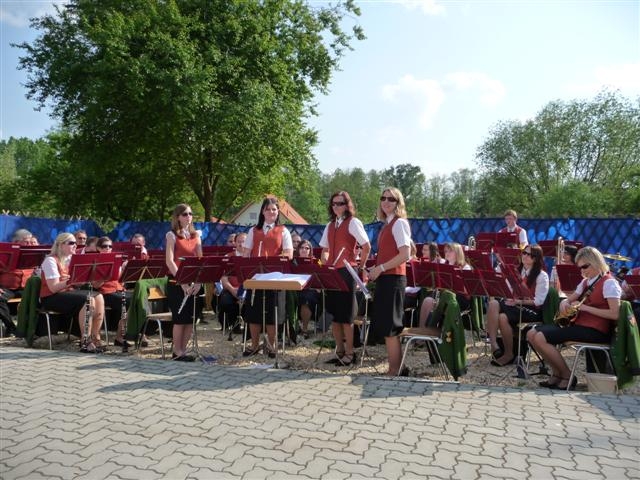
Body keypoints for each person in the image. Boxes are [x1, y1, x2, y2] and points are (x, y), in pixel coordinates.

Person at [527, 247, 621, 390]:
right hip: (580, 325)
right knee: (531, 333)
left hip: (597, 330)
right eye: (580, 267)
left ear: (596, 263)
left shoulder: (609, 283)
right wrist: (564, 303)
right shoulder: (586, 282)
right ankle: (557, 373)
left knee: (539, 337)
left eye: (585, 266)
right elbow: (569, 299)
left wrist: (585, 308)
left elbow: (615, 314)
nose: (582, 271)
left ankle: (567, 376)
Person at [319, 191, 371, 366]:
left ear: (347, 205)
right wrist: (325, 263)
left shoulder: (353, 222)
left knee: (347, 316)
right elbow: (324, 250)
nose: (336, 206)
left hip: (347, 272)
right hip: (332, 272)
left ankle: (350, 353)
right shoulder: (330, 225)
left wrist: (361, 266)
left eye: (340, 203)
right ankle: (339, 351)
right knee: (334, 316)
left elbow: (366, 246)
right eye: (333, 203)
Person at [367, 187, 412, 376]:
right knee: (388, 326)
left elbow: (405, 254)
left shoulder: (399, 223)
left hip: (393, 279)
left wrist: (381, 268)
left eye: (391, 199)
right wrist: (375, 269)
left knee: (391, 327)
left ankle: (395, 370)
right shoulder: (387, 224)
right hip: (386, 278)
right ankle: (398, 368)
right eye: (383, 198)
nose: (386, 201)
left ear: (398, 203)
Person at [242, 197, 293, 358]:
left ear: (278, 212)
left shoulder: (284, 231)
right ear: (262, 212)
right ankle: (254, 345)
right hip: (256, 277)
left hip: (275, 278)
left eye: (274, 209)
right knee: (254, 312)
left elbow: (289, 254)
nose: (271, 212)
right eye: (268, 209)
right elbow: (246, 252)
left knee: (272, 313)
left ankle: (272, 346)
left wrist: (273, 261)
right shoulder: (253, 231)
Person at [40, 232, 106, 352]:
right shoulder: (50, 261)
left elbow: (75, 284)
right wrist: (71, 281)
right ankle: (85, 341)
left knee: (99, 296)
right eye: (71, 243)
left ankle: (95, 337)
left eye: (75, 243)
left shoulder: (70, 259)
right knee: (89, 299)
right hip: (51, 297)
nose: (75, 245)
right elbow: (53, 288)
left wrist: (84, 279)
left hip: (66, 293)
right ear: (61, 245)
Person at [486, 244, 549, 366]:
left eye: (529, 254)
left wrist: (518, 301)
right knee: (498, 311)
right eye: (524, 253)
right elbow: (509, 290)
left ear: (536, 258)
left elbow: (539, 301)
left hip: (532, 310)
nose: (525, 256)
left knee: (498, 309)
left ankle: (505, 352)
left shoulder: (542, 275)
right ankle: (497, 347)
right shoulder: (516, 271)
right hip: (515, 306)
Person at [165, 204, 203, 361]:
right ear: (178, 217)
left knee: (190, 319)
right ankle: (177, 352)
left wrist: (199, 282)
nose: (189, 216)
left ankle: (183, 350)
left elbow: (200, 261)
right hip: (176, 281)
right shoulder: (172, 235)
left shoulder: (196, 236)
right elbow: (169, 261)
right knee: (180, 319)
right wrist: (182, 282)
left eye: (190, 213)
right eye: (185, 214)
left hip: (193, 282)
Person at [418, 242, 472, 329]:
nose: (447, 253)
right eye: (446, 251)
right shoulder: (443, 265)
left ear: (458, 252)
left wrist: (454, 284)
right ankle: (423, 331)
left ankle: (436, 331)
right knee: (427, 301)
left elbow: (468, 292)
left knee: (443, 302)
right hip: (443, 296)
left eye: (450, 251)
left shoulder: (465, 267)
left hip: (459, 298)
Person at [92, 237, 133, 348]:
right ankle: (120, 337)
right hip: (105, 292)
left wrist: (124, 269)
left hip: (119, 289)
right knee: (128, 302)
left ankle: (123, 335)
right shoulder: (95, 261)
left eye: (110, 246)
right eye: (104, 246)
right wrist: (105, 277)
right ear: (98, 248)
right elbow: (95, 285)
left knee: (137, 299)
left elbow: (120, 280)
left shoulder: (115, 260)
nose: (108, 248)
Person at [218, 232, 247, 332]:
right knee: (225, 302)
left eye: (244, 242)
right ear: (235, 243)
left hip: (248, 289)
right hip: (231, 289)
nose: (241, 244)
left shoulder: (252, 256)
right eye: (239, 242)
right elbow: (224, 278)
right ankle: (233, 325)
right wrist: (232, 290)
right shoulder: (228, 256)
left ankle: (249, 327)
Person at [296, 239, 320, 338]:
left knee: (306, 299)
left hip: (311, 289)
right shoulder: (293, 261)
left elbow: (322, 274)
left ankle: (304, 329)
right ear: (298, 249)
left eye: (307, 248)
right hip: (295, 287)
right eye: (302, 248)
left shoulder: (317, 261)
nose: (304, 250)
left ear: (310, 250)